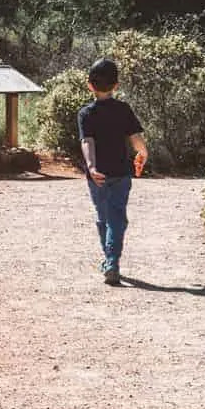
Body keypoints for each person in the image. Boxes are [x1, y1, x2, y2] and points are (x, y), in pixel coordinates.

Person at [78, 58, 148, 286]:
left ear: (90, 85)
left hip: (97, 176)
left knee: (103, 217)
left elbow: (87, 141)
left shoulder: (86, 113)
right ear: (116, 85)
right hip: (120, 172)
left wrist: (91, 166)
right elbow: (135, 137)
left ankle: (109, 260)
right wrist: (143, 153)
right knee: (117, 218)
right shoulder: (123, 109)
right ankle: (112, 262)